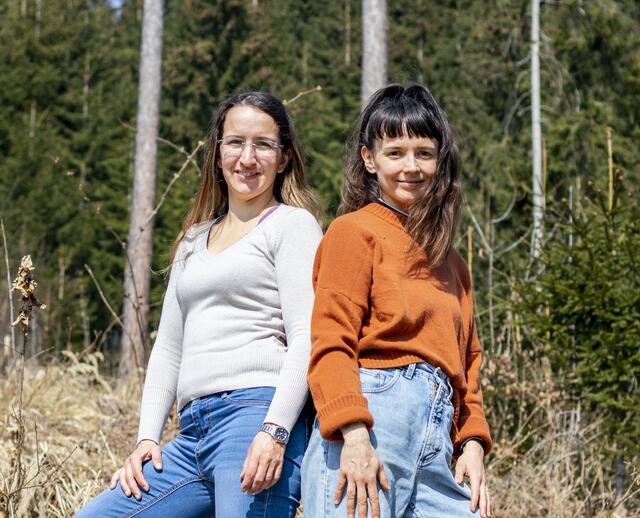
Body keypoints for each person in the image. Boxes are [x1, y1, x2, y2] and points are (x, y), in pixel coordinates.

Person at [76, 91, 323, 517]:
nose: (247, 158)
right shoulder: (193, 240)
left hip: (255, 416)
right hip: (192, 432)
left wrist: (276, 430)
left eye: (263, 144)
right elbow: (169, 347)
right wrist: (147, 438)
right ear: (217, 152)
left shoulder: (292, 225)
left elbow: (308, 335)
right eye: (235, 143)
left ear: (283, 158)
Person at [301, 84, 492, 518]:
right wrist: (353, 434)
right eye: (396, 153)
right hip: (372, 416)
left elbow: (469, 363)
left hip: (440, 435)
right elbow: (331, 341)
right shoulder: (353, 231)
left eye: (424, 153)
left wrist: (474, 443)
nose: (412, 166)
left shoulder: (452, 262)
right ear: (369, 159)